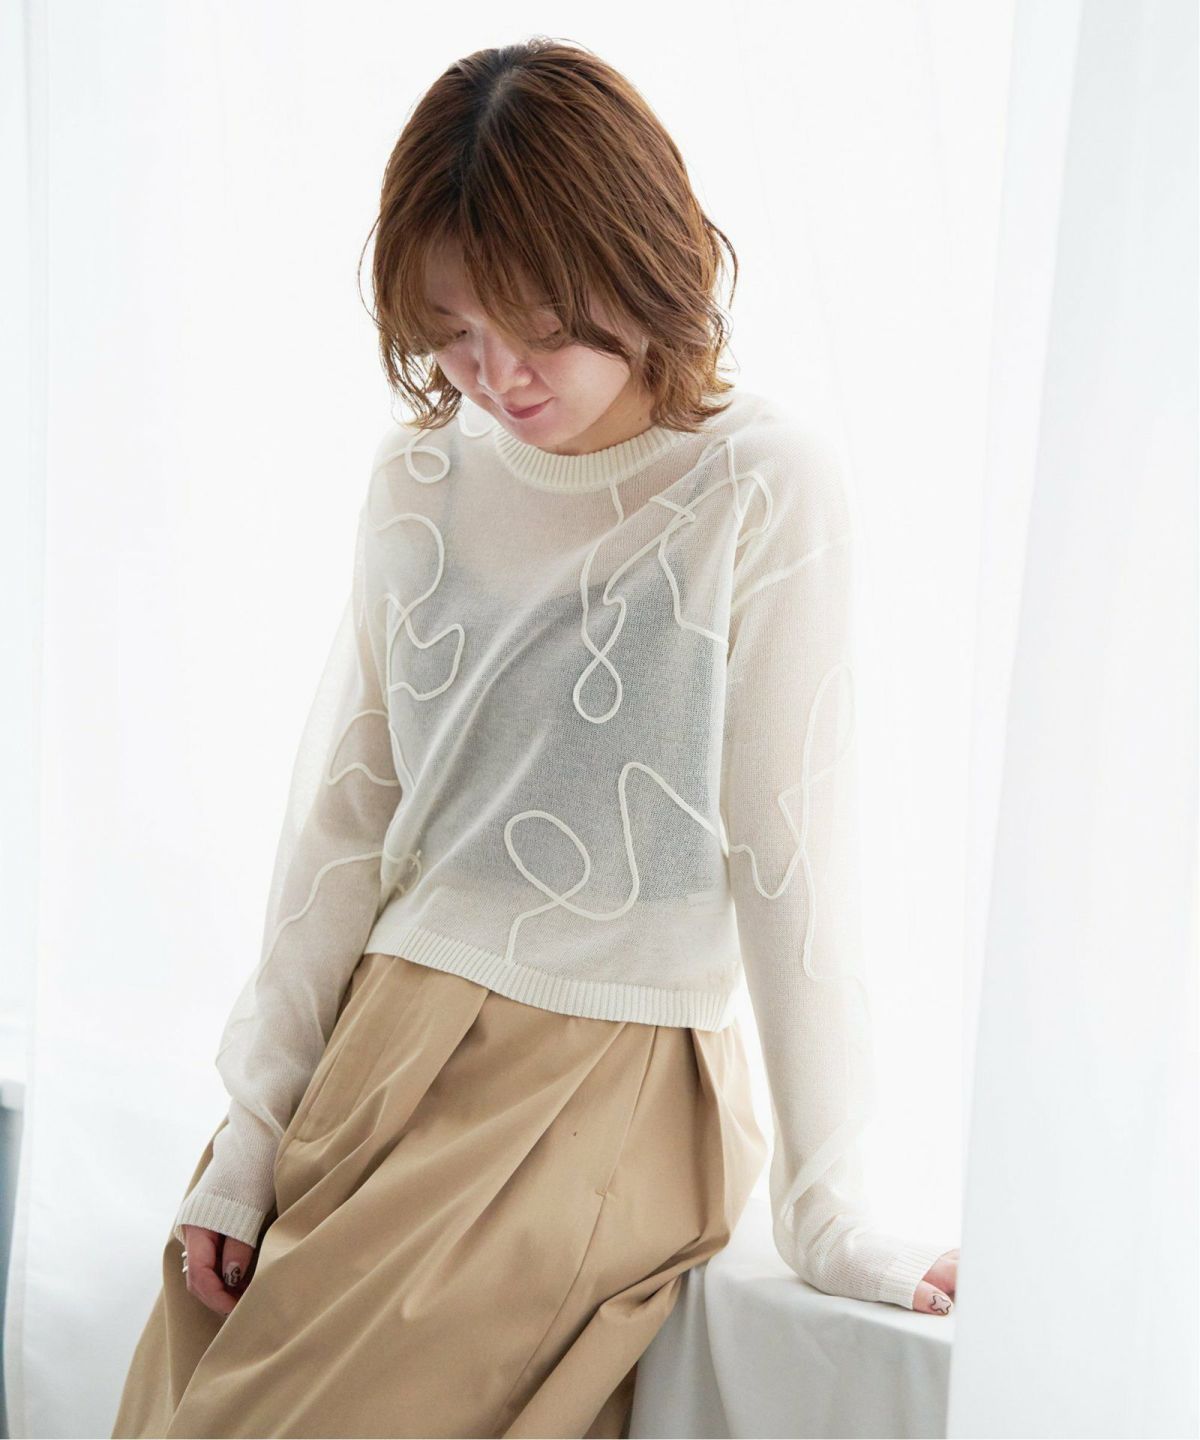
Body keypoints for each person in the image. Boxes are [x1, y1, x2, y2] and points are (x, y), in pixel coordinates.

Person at [111, 34, 959, 1440]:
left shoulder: (756, 484)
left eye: (543, 324)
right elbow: (345, 824)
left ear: (641, 267)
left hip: (602, 1070)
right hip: (372, 1053)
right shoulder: (419, 480)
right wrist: (249, 1136)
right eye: (453, 331)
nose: (496, 374)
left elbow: (789, 854)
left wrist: (830, 1206)